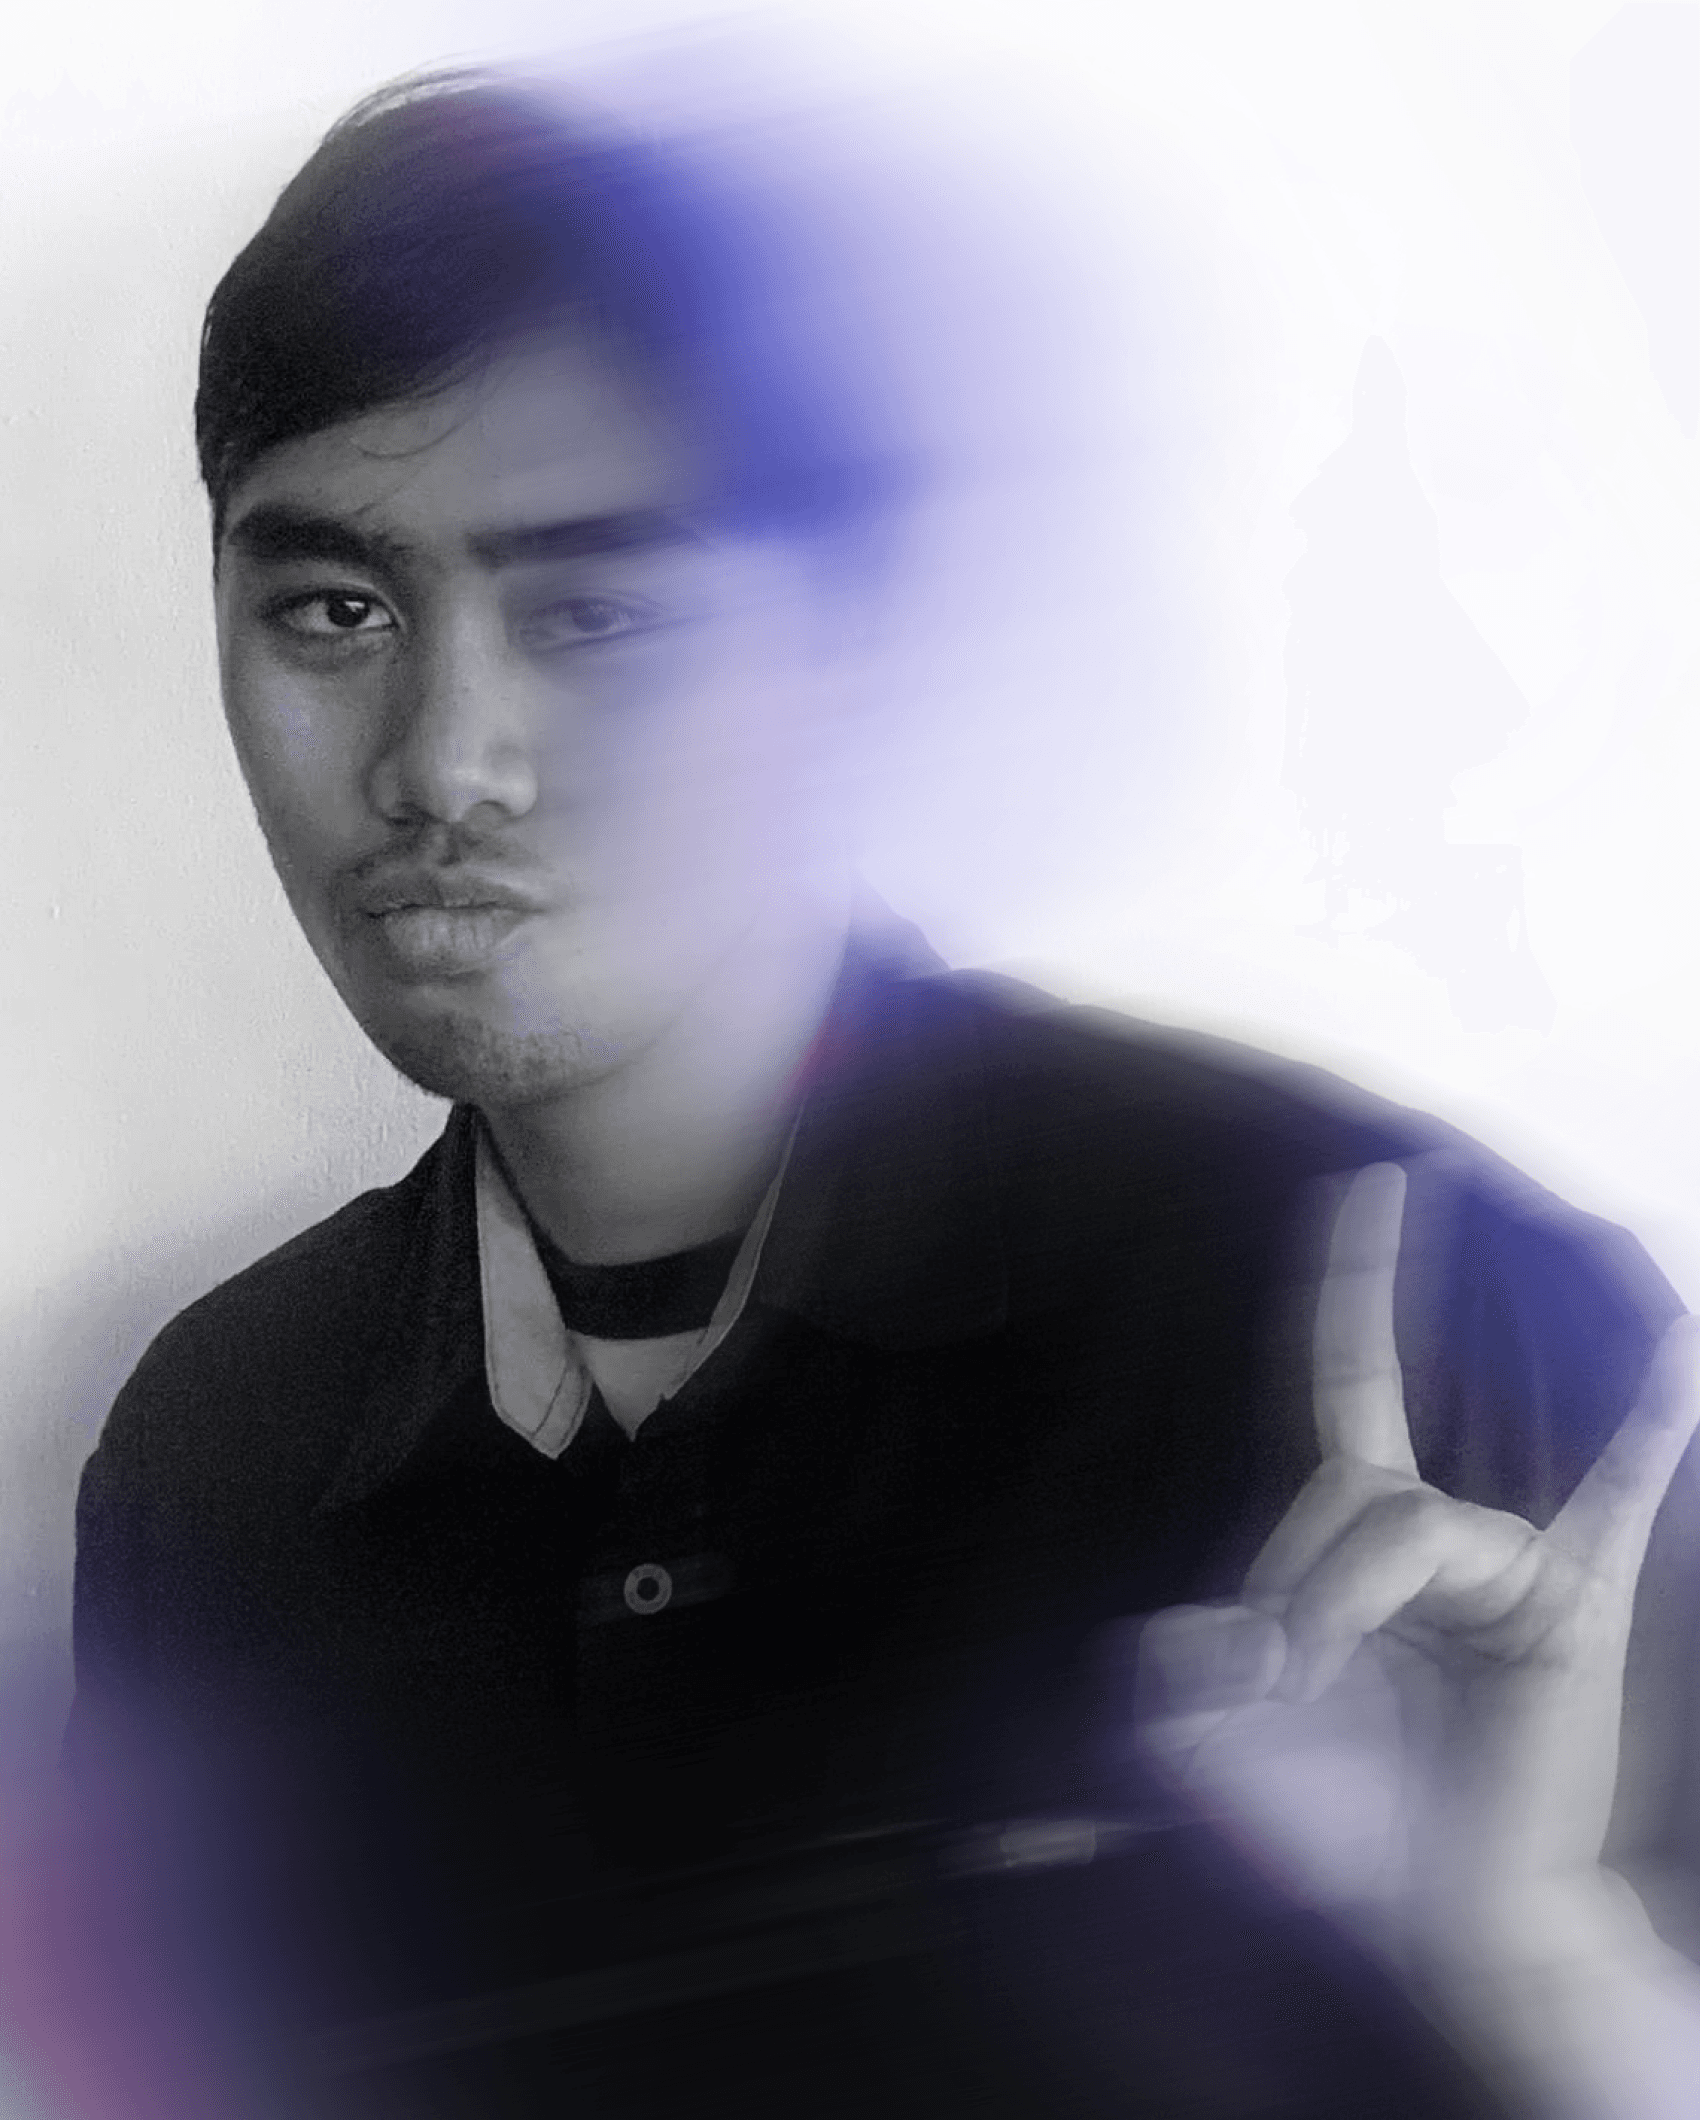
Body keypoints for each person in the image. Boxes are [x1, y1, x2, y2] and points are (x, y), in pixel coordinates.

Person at [55, 65, 1700, 2120]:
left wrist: (1526, 1967)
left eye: (593, 609)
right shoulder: (211, 1459)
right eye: (335, 610)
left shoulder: (1436, 1305)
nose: (443, 762)